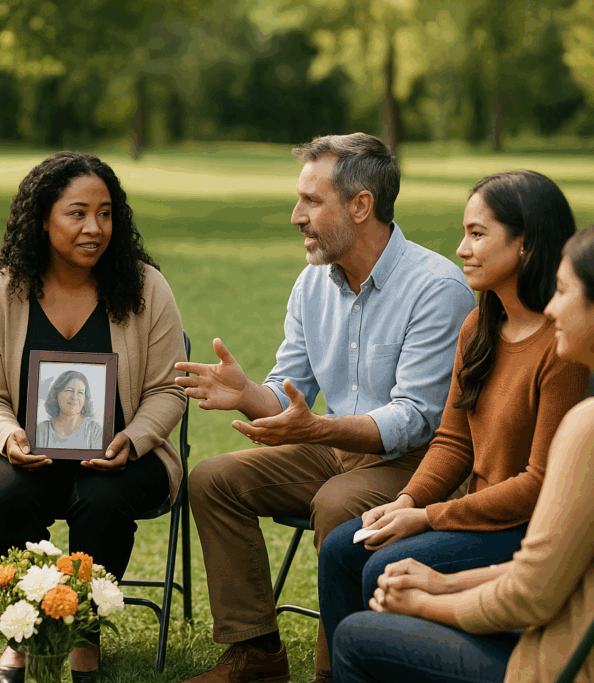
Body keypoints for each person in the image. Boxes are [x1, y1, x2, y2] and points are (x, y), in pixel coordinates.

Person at [176, 133, 477, 683]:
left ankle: (334, 671)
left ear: (361, 206)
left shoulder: (437, 287)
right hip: (333, 447)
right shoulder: (312, 283)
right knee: (212, 479)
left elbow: (415, 417)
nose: (296, 217)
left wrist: (314, 428)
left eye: (311, 201)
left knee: (340, 507)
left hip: (421, 466)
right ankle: (256, 653)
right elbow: (290, 394)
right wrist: (248, 394)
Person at [317, 170, 589, 666]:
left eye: (478, 234)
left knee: (386, 565)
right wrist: (405, 501)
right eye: (464, 232)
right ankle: (337, 673)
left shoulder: (563, 347)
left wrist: (428, 517)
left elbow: (538, 484)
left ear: (525, 243)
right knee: (342, 548)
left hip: (522, 529)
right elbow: (453, 442)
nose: (461, 248)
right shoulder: (479, 325)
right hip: (471, 514)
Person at [0, 151, 187, 682]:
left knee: (102, 498)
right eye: (78, 213)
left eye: (106, 213)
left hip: (123, 455)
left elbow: (167, 389)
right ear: (43, 218)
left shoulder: (145, 287)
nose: (95, 228)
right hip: (27, 452)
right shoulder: (1, 292)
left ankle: (83, 638)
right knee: (8, 494)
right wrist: (7, 436)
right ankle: (27, 635)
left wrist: (134, 439)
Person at [36, 370, 103, 449]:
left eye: (80, 392)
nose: (74, 397)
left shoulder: (94, 430)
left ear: (85, 398)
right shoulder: (42, 430)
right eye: (69, 390)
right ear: (57, 394)